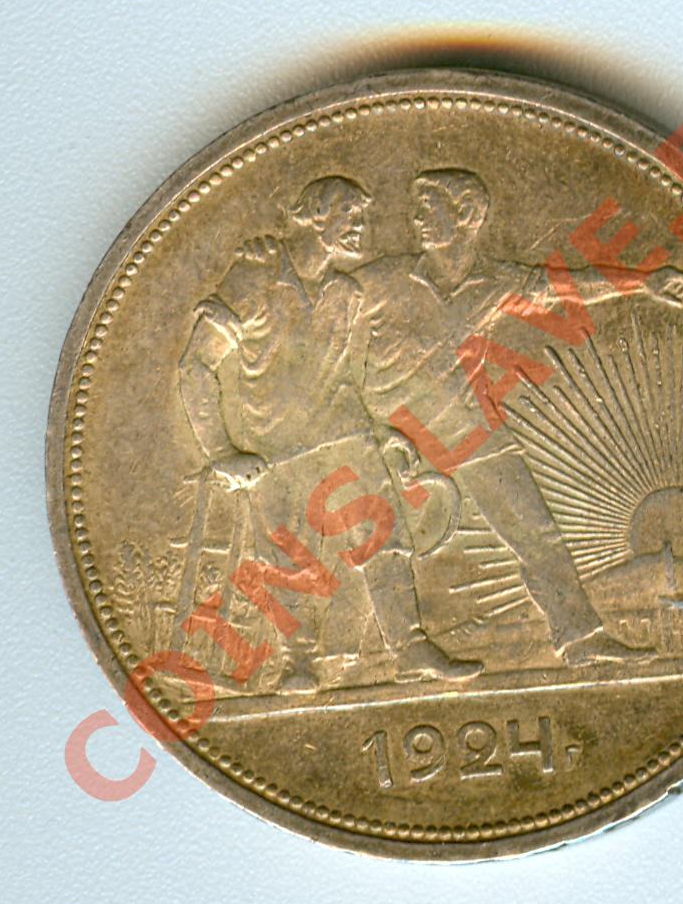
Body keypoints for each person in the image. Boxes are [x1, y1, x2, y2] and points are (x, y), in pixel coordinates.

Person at [178, 175, 480, 690]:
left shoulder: (347, 294)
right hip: (276, 452)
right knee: (289, 559)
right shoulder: (255, 276)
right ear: (318, 216)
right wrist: (222, 451)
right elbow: (195, 366)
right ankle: (298, 661)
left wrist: (381, 431)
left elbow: (347, 379)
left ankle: (410, 648)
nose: (363, 228)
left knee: (384, 540)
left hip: (348, 441)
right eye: (352, 217)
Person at [350, 169, 654, 666]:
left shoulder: (495, 281)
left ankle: (579, 636)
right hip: (392, 433)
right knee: (381, 538)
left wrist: (645, 282)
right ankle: (403, 650)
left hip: (468, 427)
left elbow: (565, 289)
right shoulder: (378, 281)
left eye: (430, 209)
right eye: (416, 209)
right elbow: (326, 341)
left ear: (467, 217)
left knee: (537, 531)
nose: (417, 220)